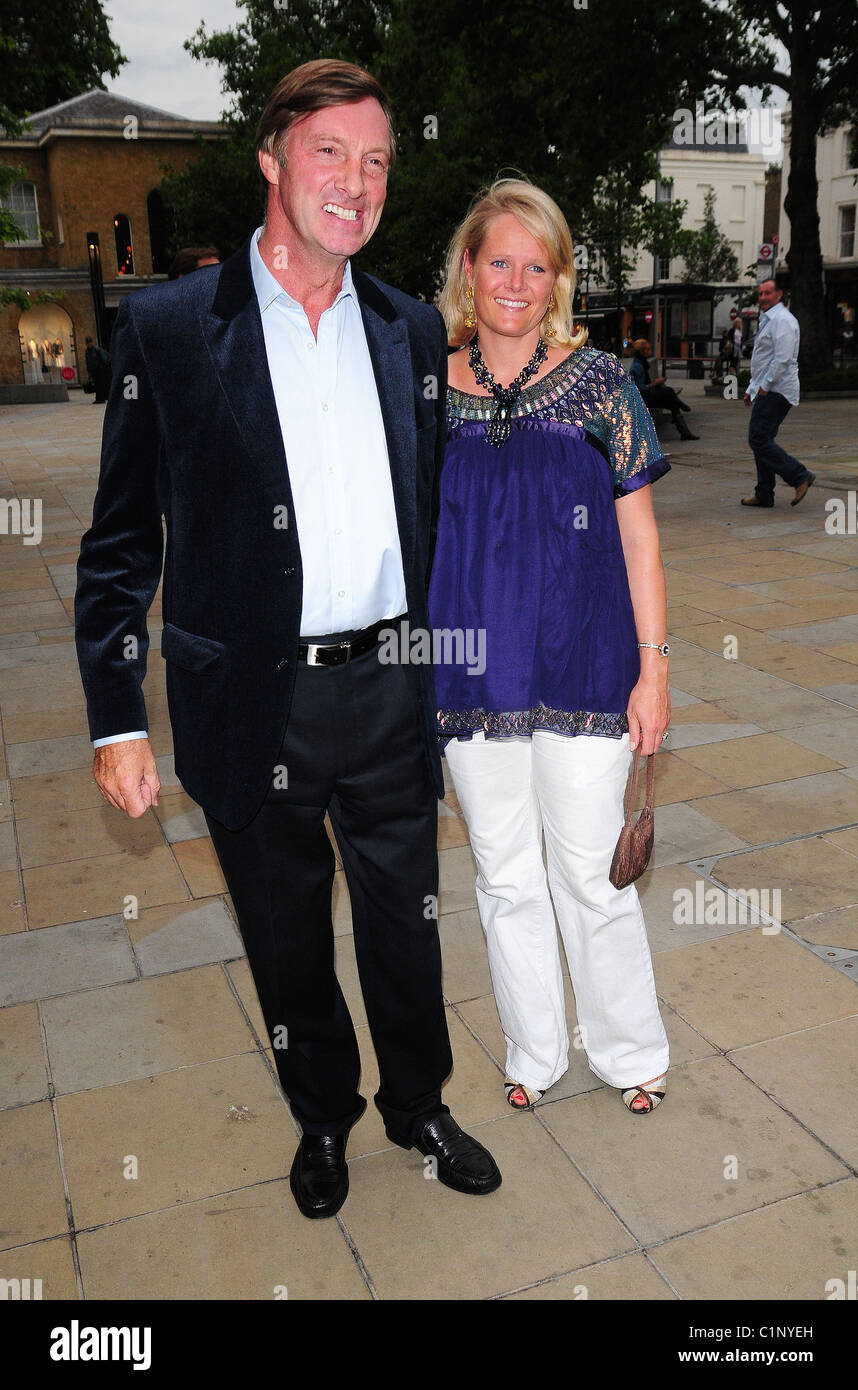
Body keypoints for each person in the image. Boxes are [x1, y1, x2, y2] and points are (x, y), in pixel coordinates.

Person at [75, 59, 501, 1221]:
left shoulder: (410, 330)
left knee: (406, 927)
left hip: (388, 688)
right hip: (248, 696)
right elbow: (119, 545)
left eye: (374, 163)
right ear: (271, 158)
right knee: (283, 940)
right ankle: (325, 1115)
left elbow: (437, 518)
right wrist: (117, 716)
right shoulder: (166, 330)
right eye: (330, 154)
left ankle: (417, 1102)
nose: (354, 185)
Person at [430, 179, 671, 1116]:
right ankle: (533, 1049)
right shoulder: (424, 390)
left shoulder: (603, 383)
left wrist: (655, 667)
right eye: (500, 260)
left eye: (538, 265)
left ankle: (627, 1052)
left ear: (559, 279)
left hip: (586, 661)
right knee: (503, 875)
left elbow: (641, 538)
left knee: (588, 872)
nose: (517, 281)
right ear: (468, 268)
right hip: (468, 667)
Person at [741, 278, 816, 508]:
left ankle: (799, 475)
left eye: (768, 293)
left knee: (758, 438)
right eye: (760, 293)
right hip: (767, 388)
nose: (763, 297)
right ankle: (764, 493)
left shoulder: (782, 320)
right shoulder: (769, 320)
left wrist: (764, 385)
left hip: (777, 389)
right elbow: (764, 359)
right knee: (762, 439)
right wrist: (752, 388)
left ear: (779, 295)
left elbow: (782, 359)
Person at [627, 339, 698, 440]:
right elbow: (639, 389)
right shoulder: (638, 366)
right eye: (647, 349)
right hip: (643, 399)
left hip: (646, 396)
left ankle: (685, 432)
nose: (650, 351)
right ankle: (683, 425)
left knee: (671, 402)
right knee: (668, 392)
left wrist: (655, 383)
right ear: (641, 351)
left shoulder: (642, 363)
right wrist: (654, 384)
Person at [84, 335, 111, 403]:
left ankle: (101, 398)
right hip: (93, 370)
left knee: (101, 384)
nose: (88, 344)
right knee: (96, 385)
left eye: (89, 343)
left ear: (92, 342)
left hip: (99, 370)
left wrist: (102, 368)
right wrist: (89, 372)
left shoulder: (97, 349)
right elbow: (87, 361)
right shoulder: (87, 351)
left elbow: (104, 360)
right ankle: (98, 398)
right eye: (87, 343)